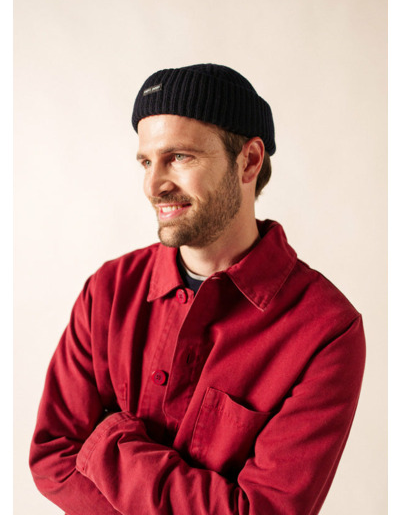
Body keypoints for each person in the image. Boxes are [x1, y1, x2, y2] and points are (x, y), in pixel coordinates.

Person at [29, 63, 366, 515]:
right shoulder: (108, 291)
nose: (154, 185)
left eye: (179, 157)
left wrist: (107, 440)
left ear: (249, 161)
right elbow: (52, 456)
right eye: (146, 161)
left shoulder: (325, 330)